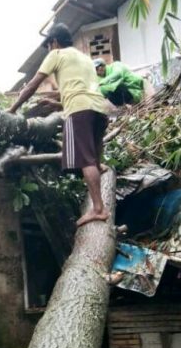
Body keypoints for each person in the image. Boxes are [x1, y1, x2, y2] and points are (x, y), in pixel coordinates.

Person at [8, 23, 110, 226]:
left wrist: (13, 109)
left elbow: (32, 85)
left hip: (79, 110)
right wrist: (55, 103)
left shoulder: (56, 55)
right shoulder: (85, 58)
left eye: (48, 45)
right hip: (100, 107)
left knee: (85, 160)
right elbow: (80, 89)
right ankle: (100, 167)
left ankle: (98, 209)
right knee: (95, 145)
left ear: (54, 42)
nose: (48, 49)